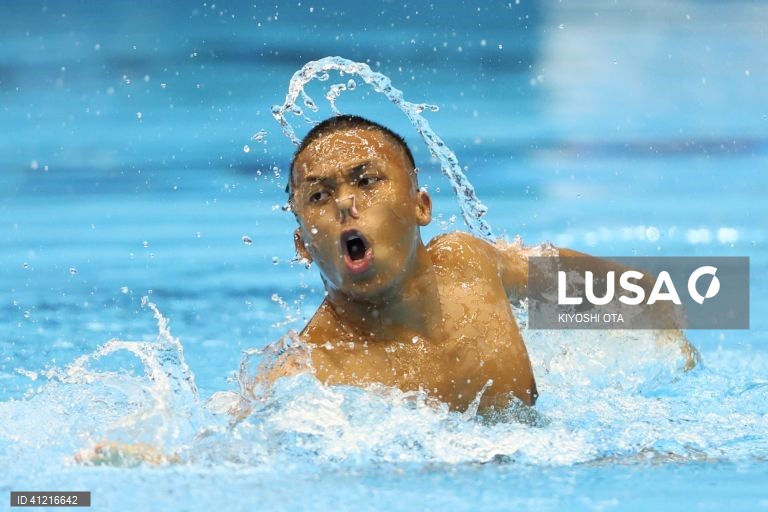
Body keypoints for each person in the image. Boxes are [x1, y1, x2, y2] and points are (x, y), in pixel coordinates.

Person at [266, 114, 698, 412]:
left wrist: (673, 348)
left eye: (366, 181)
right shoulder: (307, 376)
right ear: (303, 245)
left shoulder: (468, 267)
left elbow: (634, 292)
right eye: (319, 196)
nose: (345, 203)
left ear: (421, 207)